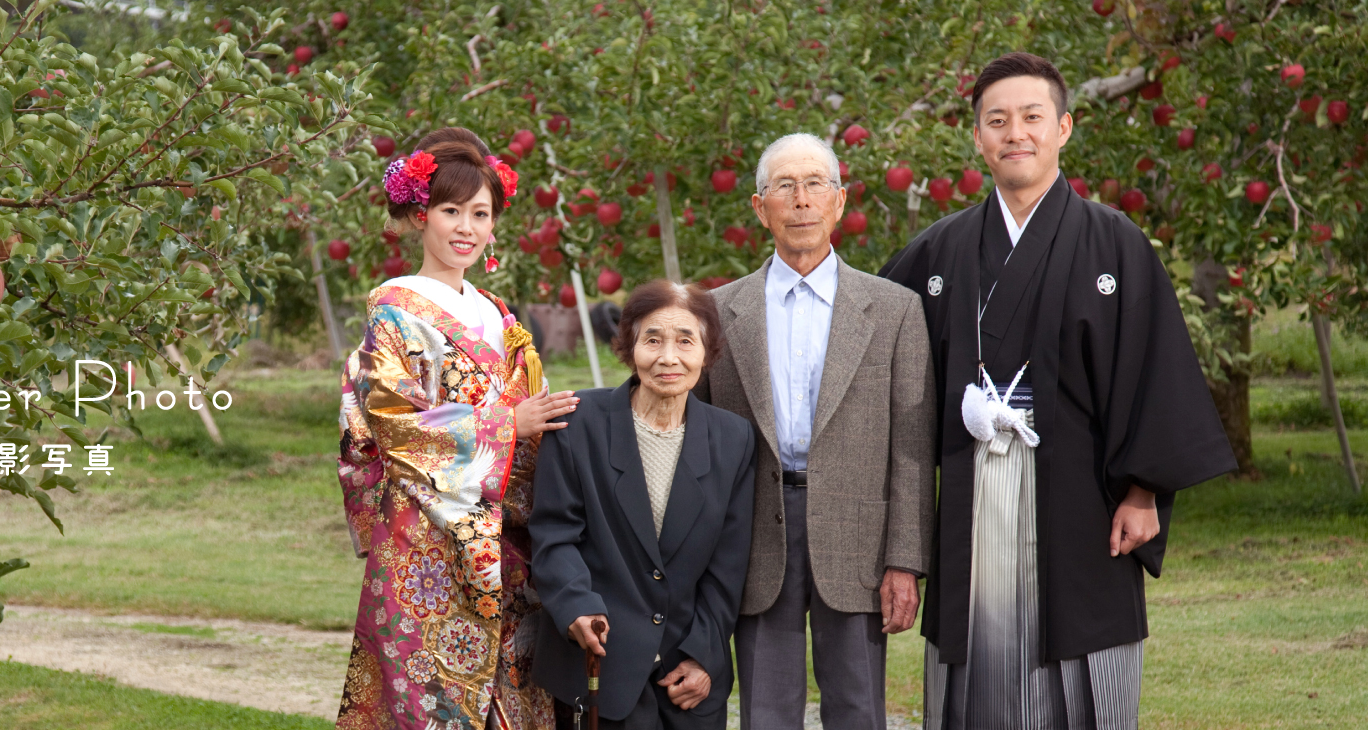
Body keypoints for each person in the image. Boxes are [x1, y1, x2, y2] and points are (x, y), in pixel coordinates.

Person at [878, 52, 1236, 730]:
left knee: (1084, 665)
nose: (1016, 133)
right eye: (997, 121)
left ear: (1063, 128)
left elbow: (1154, 369)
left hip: (1082, 494)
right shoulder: (939, 251)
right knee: (976, 668)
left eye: (1032, 117)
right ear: (977, 137)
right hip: (971, 480)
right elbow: (881, 365)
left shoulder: (1116, 243)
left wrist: (1144, 491)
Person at [335, 127, 581, 730]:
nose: (466, 227)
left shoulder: (496, 312)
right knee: (432, 699)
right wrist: (507, 423)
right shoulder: (397, 309)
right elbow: (392, 424)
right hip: (428, 535)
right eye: (451, 211)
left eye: (481, 213)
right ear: (419, 215)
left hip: (507, 532)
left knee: (513, 695)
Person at [695, 133, 937, 730]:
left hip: (859, 535)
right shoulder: (718, 312)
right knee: (765, 713)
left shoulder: (895, 310)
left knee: (858, 710)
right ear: (760, 208)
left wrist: (905, 561)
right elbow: (698, 445)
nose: (801, 200)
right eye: (785, 187)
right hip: (755, 530)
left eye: (814, 185)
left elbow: (911, 449)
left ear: (839, 200)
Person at [529, 280, 756, 730]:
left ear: (707, 352)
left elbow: (728, 565)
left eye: (685, 341)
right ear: (630, 347)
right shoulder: (577, 423)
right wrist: (575, 606)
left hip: (685, 678)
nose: (668, 357)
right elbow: (554, 536)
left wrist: (704, 654)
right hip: (600, 664)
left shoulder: (733, 438)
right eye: (652, 340)